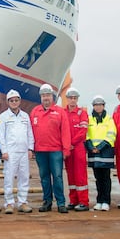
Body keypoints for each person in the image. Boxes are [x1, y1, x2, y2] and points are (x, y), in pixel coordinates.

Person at [31, 83, 71, 213]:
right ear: (40, 97)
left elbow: (65, 131)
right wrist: (31, 149)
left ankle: (61, 203)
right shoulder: (35, 111)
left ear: (52, 96)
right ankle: (47, 201)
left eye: (48, 95)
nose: (46, 97)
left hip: (55, 150)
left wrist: (65, 150)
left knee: (58, 176)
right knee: (44, 177)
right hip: (40, 150)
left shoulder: (60, 112)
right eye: (43, 95)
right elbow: (30, 132)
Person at [0, 89, 34, 214]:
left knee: (24, 177)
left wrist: (30, 148)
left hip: (23, 151)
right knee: (9, 177)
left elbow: (29, 133)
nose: (14, 102)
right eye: (11, 101)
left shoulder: (25, 116)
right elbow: (0, 135)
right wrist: (4, 151)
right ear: (8, 102)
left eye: (16, 100)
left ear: (19, 101)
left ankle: (22, 202)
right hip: (10, 153)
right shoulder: (3, 117)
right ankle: (9, 203)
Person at [86, 95, 116, 211]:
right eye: (96, 105)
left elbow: (111, 134)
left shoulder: (109, 119)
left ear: (103, 106)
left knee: (106, 178)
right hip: (94, 153)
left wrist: (100, 147)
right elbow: (86, 134)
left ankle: (106, 201)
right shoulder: (89, 119)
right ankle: (99, 201)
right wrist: (91, 147)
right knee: (97, 178)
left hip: (105, 153)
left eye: (100, 105)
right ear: (93, 106)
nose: (98, 107)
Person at [64, 88, 90, 211]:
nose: (72, 100)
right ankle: (73, 200)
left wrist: (72, 143)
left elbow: (83, 131)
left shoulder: (82, 113)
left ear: (77, 99)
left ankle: (83, 202)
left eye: (75, 98)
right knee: (71, 175)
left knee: (80, 175)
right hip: (68, 148)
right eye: (70, 98)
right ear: (67, 99)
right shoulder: (63, 112)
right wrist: (66, 145)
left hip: (78, 147)